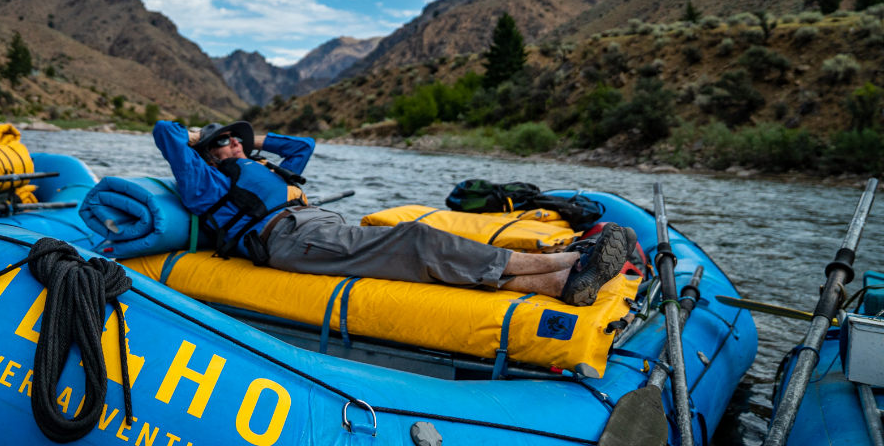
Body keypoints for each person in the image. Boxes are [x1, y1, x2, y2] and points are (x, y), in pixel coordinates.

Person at [152, 120, 630, 306]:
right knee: (413, 240)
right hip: (288, 239)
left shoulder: (259, 166)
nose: (232, 143)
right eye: (223, 142)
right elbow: (163, 131)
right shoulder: (207, 183)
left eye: (235, 137)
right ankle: (563, 264)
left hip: (320, 229)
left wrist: (243, 140)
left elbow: (303, 145)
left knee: (419, 258)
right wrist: (198, 141)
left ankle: (557, 283)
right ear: (206, 154)